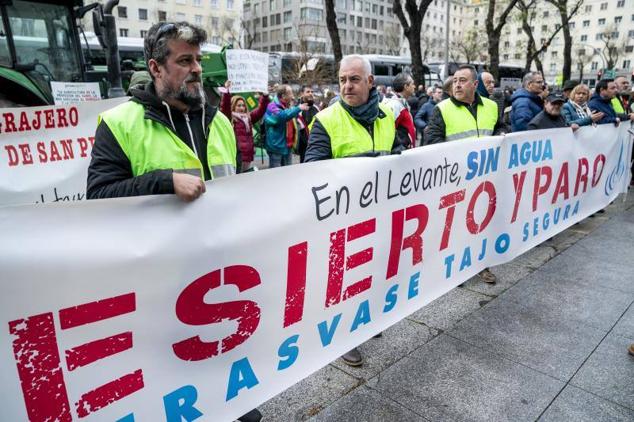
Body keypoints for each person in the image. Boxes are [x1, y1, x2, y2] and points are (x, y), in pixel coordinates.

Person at [86, 21, 261, 422]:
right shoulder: (120, 124)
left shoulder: (218, 121)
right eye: (185, 60)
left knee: (234, 395)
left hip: (221, 282)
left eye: (198, 59)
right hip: (159, 291)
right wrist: (163, 182)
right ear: (156, 68)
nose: (197, 68)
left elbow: (246, 189)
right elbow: (96, 199)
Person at [305, 55, 406, 365]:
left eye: (354, 79)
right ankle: (341, 337)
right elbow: (311, 171)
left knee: (370, 273)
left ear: (370, 82)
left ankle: (363, 321)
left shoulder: (387, 116)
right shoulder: (326, 119)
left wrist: (398, 158)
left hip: (377, 215)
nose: (347, 86)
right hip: (341, 220)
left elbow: (398, 153)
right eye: (342, 80)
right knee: (342, 282)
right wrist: (364, 165)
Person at [425, 65, 505, 145]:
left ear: (475, 84)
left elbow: (501, 127)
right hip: (456, 157)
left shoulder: (491, 105)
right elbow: (432, 141)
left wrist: (500, 133)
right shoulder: (441, 108)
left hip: (487, 157)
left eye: (462, 80)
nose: (457, 85)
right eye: (455, 81)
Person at [220, 80, 270, 172]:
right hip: (236, 156)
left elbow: (260, 110)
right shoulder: (230, 118)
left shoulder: (248, 118)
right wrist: (226, 92)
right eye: (238, 105)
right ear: (233, 106)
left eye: (243, 105)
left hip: (248, 155)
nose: (242, 108)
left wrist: (265, 96)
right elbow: (225, 107)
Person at [264, 85, 309, 168]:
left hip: (287, 146)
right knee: (276, 175)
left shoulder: (287, 105)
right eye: (290, 93)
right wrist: (298, 108)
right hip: (276, 148)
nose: (292, 96)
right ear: (283, 96)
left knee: (288, 174)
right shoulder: (272, 106)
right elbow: (281, 116)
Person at [383, 72, 417, 148]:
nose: (414, 86)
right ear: (406, 86)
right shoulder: (394, 105)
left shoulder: (400, 103)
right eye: (412, 84)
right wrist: (401, 146)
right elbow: (388, 132)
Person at [297, 85, 320, 162]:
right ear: (301, 94)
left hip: (317, 145)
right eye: (308, 92)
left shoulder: (316, 108)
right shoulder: (298, 110)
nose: (310, 93)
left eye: (312, 92)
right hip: (304, 148)